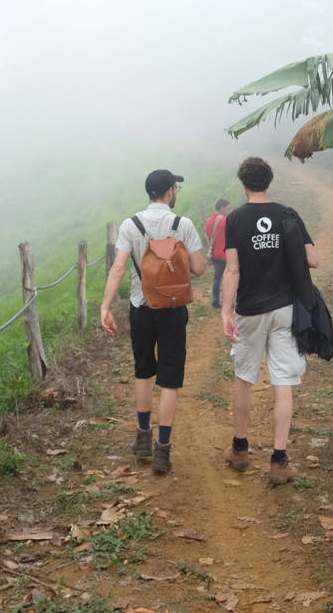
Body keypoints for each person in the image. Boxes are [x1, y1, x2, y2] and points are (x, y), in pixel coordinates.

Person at [220, 157, 319, 485]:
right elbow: (313, 259)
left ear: (243, 184)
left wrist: (225, 311)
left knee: (244, 376)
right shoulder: (287, 214)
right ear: (269, 180)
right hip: (285, 309)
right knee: (283, 381)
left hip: (249, 310)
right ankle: (279, 460)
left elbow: (231, 270)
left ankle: (240, 449)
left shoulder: (233, 219)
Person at [100, 169, 205, 474]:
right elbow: (198, 268)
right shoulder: (182, 224)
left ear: (149, 192)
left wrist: (105, 307)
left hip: (141, 307)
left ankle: (143, 436)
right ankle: (163, 450)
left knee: (143, 371)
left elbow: (118, 268)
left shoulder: (130, 225)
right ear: (170, 191)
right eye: (176, 188)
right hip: (173, 310)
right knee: (170, 379)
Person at [204, 199, 230, 308]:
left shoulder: (209, 220)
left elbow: (206, 234)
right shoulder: (225, 221)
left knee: (217, 278)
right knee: (229, 278)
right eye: (227, 208)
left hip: (215, 254)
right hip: (226, 254)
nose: (228, 210)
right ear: (222, 207)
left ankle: (215, 300)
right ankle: (228, 301)